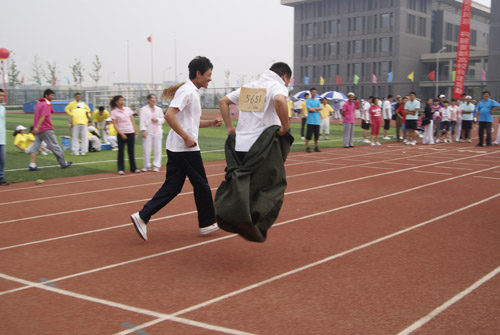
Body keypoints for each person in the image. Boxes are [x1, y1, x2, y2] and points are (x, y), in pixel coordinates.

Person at [130, 56, 222, 241]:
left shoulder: (191, 92)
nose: (210, 78)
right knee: (202, 185)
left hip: (178, 148)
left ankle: (143, 216)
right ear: (198, 73)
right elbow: (169, 115)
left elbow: (191, 123)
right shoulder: (187, 91)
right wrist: (186, 138)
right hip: (185, 149)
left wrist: (210, 122)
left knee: (173, 186)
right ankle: (207, 223)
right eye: (208, 74)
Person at [217, 61, 292, 242]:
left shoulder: (249, 87)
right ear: (284, 77)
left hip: (241, 146)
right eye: (288, 82)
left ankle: (234, 213)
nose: (287, 85)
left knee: (246, 184)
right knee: (275, 184)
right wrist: (285, 126)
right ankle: (250, 223)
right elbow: (279, 100)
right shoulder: (276, 86)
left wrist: (229, 127)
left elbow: (223, 101)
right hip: (262, 146)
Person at [28, 89, 72, 171]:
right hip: (46, 129)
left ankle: (32, 165)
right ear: (46, 95)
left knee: (35, 147)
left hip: (38, 130)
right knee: (55, 146)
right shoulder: (46, 104)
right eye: (51, 95)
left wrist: (36, 127)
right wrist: (38, 126)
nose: (53, 97)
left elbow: (37, 116)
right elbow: (43, 116)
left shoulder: (38, 104)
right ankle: (63, 163)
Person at [110, 95, 140, 175]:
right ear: (116, 102)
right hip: (121, 133)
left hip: (130, 132)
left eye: (123, 100)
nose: (122, 102)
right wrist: (121, 134)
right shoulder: (114, 112)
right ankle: (120, 168)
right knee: (121, 152)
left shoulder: (127, 109)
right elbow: (115, 125)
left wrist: (135, 131)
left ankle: (133, 168)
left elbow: (132, 121)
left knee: (131, 151)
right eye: (120, 100)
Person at [140, 94, 164, 172]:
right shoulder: (143, 109)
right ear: (148, 100)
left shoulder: (159, 109)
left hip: (157, 131)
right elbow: (142, 121)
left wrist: (157, 119)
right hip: (148, 131)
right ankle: (146, 165)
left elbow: (162, 119)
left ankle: (156, 165)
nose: (154, 100)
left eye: (155, 98)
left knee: (158, 149)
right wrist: (143, 131)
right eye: (152, 98)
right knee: (146, 149)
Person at [305, 88, 321, 152]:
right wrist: (316, 109)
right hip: (310, 121)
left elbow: (320, 108)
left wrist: (313, 109)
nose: (314, 93)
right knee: (309, 135)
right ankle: (307, 147)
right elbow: (309, 109)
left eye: (315, 92)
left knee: (316, 135)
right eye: (313, 92)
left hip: (317, 121)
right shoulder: (308, 100)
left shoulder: (318, 101)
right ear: (310, 93)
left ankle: (316, 146)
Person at [0, 89, 8, 185]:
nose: (2, 97)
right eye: (0, 95)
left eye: (3, 95)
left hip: (1, 138)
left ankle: (1, 177)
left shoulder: (3, 108)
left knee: (2, 160)